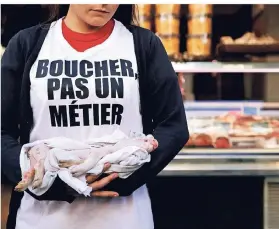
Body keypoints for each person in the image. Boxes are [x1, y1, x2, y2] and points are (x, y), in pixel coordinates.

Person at [1, 4, 189, 229]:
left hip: (124, 218)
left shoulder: (144, 44)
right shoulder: (26, 44)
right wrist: (41, 179)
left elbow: (173, 126)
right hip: (43, 219)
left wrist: (126, 175)